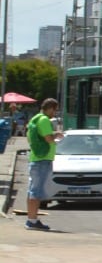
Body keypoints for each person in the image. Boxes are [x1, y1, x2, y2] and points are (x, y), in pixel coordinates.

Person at [23, 98, 64, 231]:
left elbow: (30, 137)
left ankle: (31, 219)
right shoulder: (44, 120)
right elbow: (48, 138)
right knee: (37, 191)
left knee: (32, 190)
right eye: (55, 110)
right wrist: (56, 134)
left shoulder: (34, 119)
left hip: (36, 157)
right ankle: (32, 221)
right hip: (43, 159)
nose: (55, 113)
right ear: (50, 108)